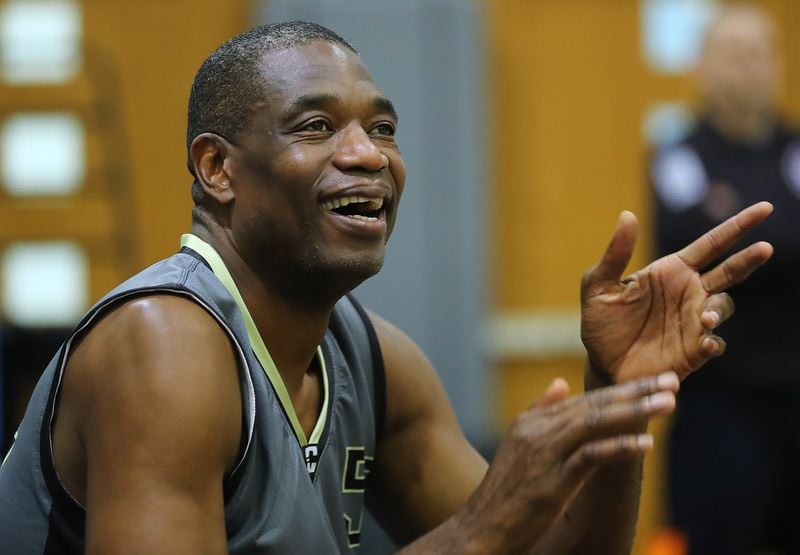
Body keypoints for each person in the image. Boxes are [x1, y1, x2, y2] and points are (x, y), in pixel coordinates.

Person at [0, 21, 773, 553]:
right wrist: (482, 524)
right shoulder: (162, 347)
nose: (367, 154)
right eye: (315, 127)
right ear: (217, 169)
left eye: (383, 127)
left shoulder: (373, 360)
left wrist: (613, 399)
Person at [651, 4, 800, 554]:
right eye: (734, 54)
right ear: (703, 68)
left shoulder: (794, 148)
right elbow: (694, 245)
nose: (750, 67)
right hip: (720, 402)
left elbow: (744, 242)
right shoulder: (679, 156)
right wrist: (784, 234)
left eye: (760, 53)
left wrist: (746, 224)